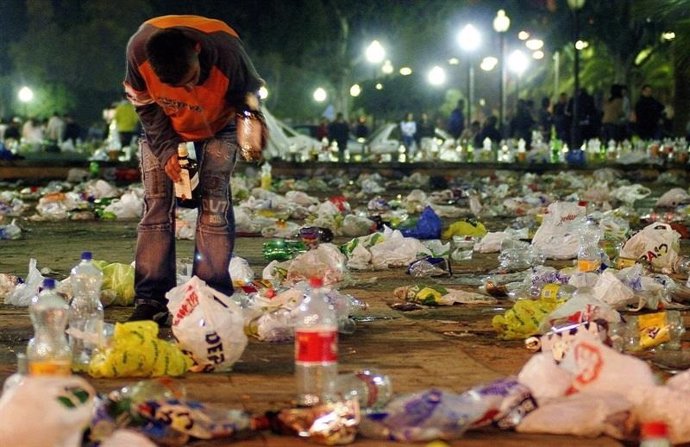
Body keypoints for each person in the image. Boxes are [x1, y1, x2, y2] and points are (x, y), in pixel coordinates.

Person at [123, 15, 264, 324]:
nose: (188, 90)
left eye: (193, 78)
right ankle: (151, 298)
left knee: (214, 206)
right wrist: (166, 151)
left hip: (218, 126)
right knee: (157, 207)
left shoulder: (228, 54)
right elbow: (145, 105)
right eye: (177, 86)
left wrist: (251, 126)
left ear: (198, 50)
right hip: (163, 127)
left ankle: (211, 295)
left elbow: (249, 98)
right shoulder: (138, 53)